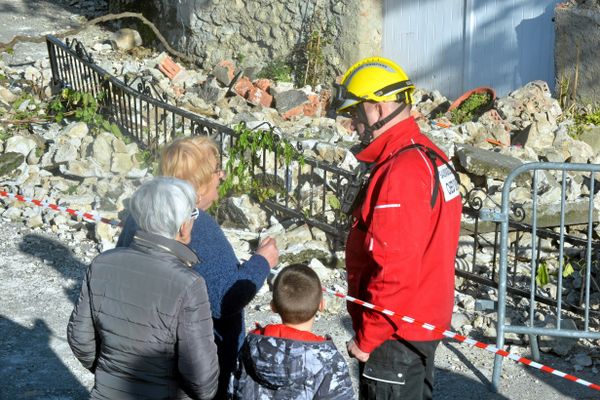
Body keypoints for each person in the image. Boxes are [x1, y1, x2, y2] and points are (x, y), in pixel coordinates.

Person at [332, 57, 462, 400]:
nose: (354, 125)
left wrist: (366, 338)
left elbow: (394, 269)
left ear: (376, 108)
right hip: (418, 322)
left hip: (395, 335)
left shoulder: (401, 171)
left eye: (357, 115)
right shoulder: (428, 155)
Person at [117, 136, 279, 399]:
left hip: (145, 352)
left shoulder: (142, 213)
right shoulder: (198, 226)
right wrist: (262, 261)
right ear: (200, 186)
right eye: (217, 170)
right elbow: (227, 299)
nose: (222, 176)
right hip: (196, 365)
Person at [67, 177, 219, 399]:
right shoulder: (189, 285)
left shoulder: (102, 264)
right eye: (193, 214)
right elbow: (202, 379)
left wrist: (110, 373)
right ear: (183, 226)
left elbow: (79, 338)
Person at [229, 263, 354, 399]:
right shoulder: (330, 361)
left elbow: (233, 389)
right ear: (321, 305)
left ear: (273, 306)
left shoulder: (250, 346)